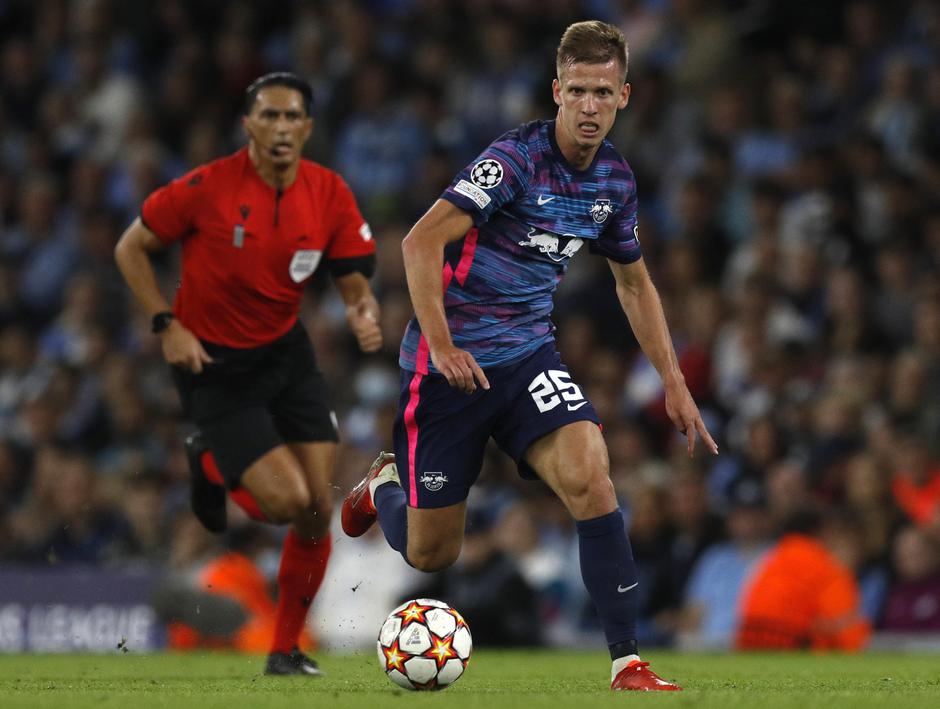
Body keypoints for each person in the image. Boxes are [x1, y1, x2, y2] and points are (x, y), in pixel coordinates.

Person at [342, 21, 716, 691]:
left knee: (592, 475)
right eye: (578, 91)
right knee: (433, 551)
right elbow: (419, 245)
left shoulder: (615, 183)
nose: (591, 106)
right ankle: (383, 485)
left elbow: (633, 282)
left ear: (625, 95)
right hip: (446, 365)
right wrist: (444, 342)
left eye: (604, 92)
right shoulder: (513, 160)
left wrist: (674, 379)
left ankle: (627, 660)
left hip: (526, 359)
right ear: (557, 92)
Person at [114, 72, 382, 676]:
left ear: (308, 128)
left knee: (318, 507)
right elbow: (130, 247)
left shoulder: (328, 192)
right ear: (249, 125)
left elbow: (352, 271)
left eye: (293, 118)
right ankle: (209, 460)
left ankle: (284, 651)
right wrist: (165, 323)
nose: (282, 128)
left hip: (286, 355)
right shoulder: (206, 188)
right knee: (284, 503)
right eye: (270, 116)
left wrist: (361, 307)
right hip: (213, 363)